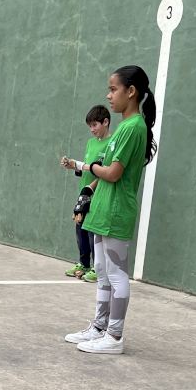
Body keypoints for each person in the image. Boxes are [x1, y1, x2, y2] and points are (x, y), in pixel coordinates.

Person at [63, 66, 155, 355]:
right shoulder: (124, 128)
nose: (109, 95)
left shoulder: (133, 127)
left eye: (113, 89)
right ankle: (100, 327)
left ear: (132, 92)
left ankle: (114, 337)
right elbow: (106, 173)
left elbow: (113, 173)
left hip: (116, 212)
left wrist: (89, 166)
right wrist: (89, 189)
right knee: (102, 272)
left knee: (116, 275)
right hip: (103, 210)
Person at [59, 104, 111, 283]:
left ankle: (98, 269)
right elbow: (88, 168)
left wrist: (91, 186)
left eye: (95, 125)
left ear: (106, 122)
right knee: (80, 227)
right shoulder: (90, 143)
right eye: (90, 126)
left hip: (99, 194)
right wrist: (73, 166)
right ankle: (84, 264)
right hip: (84, 193)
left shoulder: (112, 144)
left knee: (92, 232)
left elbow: (104, 171)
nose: (92, 129)